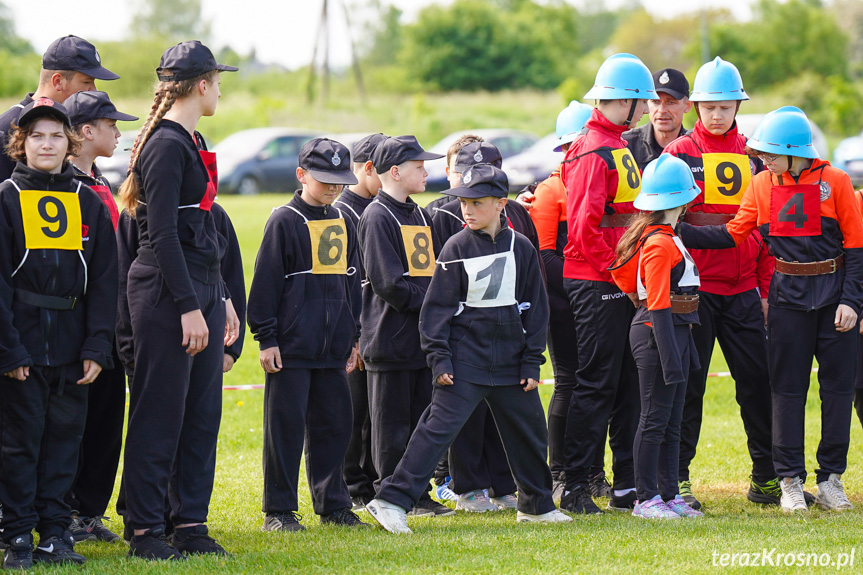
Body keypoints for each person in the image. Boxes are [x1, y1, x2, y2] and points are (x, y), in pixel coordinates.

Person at [677, 106, 863, 513]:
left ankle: (831, 479)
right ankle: (790, 480)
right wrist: (675, 226)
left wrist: (852, 301)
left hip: (835, 301)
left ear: (797, 152)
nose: (762, 160)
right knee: (786, 391)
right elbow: (730, 234)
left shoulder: (837, 181)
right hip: (787, 302)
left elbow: (856, 247)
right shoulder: (761, 184)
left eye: (770, 154)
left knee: (835, 392)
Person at [365, 164, 570, 532]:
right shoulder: (455, 247)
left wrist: (530, 363)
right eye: (464, 202)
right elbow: (436, 312)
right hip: (463, 365)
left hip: (511, 366)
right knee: (434, 433)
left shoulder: (521, 247)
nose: (468, 210)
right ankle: (390, 501)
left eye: (477, 202)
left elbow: (537, 310)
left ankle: (537, 506)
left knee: (531, 433)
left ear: (500, 203)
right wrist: (440, 358)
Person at [118, 41, 240, 561]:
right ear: (201, 84)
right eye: (217, 80)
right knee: (159, 413)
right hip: (168, 294)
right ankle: (145, 530)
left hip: (201, 287)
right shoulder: (165, 146)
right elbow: (162, 235)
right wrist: (191, 305)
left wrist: (222, 297)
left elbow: (202, 227)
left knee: (201, 414)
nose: (220, 89)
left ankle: (188, 523)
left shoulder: (192, 139)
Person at [0, 98, 117, 568]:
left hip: (72, 346)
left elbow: (106, 279)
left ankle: (54, 533)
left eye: (54, 136)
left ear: (70, 144)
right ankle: (17, 537)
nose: (45, 144)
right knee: (19, 443)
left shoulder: (87, 200)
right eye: (36, 136)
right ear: (21, 144)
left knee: (65, 443)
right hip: (21, 345)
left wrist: (96, 344)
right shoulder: (6, 198)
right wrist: (8, 349)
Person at [662, 57, 778, 510]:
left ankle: (767, 480)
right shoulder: (677, 154)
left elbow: (766, 231)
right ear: (696, 107)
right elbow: (664, 226)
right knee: (688, 387)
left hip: (745, 290)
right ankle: (679, 479)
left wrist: (765, 289)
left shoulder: (754, 156)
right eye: (709, 106)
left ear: (737, 106)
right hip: (694, 293)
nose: (716, 115)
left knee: (758, 384)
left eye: (725, 106)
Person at [249, 137, 368, 532]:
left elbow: (353, 283)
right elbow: (264, 284)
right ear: (301, 175)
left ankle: (334, 504)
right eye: (324, 179)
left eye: (339, 180)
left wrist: (354, 337)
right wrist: (267, 338)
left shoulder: (347, 220)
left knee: (334, 426)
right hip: (292, 347)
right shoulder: (283, 219)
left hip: (333, 348)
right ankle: (278, 511)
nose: (334, 187)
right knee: (283, 429)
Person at [559, 53, 655, 514]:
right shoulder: (594, 148)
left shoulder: (613, 142)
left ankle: (625, 486)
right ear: (631, 102)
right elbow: (582, 229)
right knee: (597, 384)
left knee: (627, 384)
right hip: (597, 280)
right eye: (644, 102)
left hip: (618, 277)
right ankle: (576, 486)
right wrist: (622, 274)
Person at [357, 135, 452, 517]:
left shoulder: (417, 213)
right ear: (395, 172)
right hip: (389, 339)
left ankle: (417, 493)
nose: (427, 171)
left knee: (418, 421)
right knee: (392, 426)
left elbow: (427, 271)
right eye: (419, 166)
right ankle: (389, 493)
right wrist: (435, 304)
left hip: (419, 339)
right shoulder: (377, 215)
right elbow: (388, 283)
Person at [62, 90, 138, 544]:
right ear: (86, 131)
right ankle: (65, 511)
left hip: (113, 319)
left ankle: (89, 512)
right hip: (82, 322)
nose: (118, 132)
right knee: (75, 421)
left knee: (108, 420)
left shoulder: (103, 181)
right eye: (111, 125)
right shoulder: (64, 187)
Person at [610, 155, 704, 519]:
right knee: (653, 418)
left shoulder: (667, 236)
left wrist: (683, 351)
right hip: (656, 334)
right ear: (682, 200)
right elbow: (660, 303)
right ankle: (646, 498)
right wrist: (669, 356)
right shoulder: (659, 243)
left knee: (671, 419)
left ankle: (668, 495)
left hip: (672, 332)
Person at [529, 101, 614, 502]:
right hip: (565, 303)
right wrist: (583, 292)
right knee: (568, 382)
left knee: (597, 386)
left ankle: (593, 470)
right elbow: (546, 257)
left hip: (594, 294)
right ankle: (560, 469)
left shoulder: (598, 175)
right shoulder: (550, 190)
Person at [431, 141, 519, 513]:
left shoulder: (515, 215)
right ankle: (466, 484)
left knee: (504, 413)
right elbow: (438, 283)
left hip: (505, 333)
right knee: (465, 414)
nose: (470, 206)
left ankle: (504, 483)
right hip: (465, 333)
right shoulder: (442, 217)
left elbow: (530, 272)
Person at [335, 133, 387, 511]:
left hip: (379, 327)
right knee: (353, 412)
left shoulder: (384, 209)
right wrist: (356, 332)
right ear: (368, 168)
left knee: (374, 413)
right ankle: (353, 485)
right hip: (356, 325)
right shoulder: (343, 212)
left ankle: (369, 481)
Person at [0, 35, 119, 181]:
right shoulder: (8, 128)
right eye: (87, 81)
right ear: (58, 81)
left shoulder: (69, 123)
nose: (94, 90)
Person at [623, 68, 692, 171]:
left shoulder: (696, 148)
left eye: (670, 102)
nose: (662, 110)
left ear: (687, 105)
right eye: (656, 102)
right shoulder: (626, 145)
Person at [426, 134, 485, 215]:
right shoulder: (435, 211)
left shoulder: (500, 208)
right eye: (459, 172)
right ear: (448, 173)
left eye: (473, 173)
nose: (466, 180)